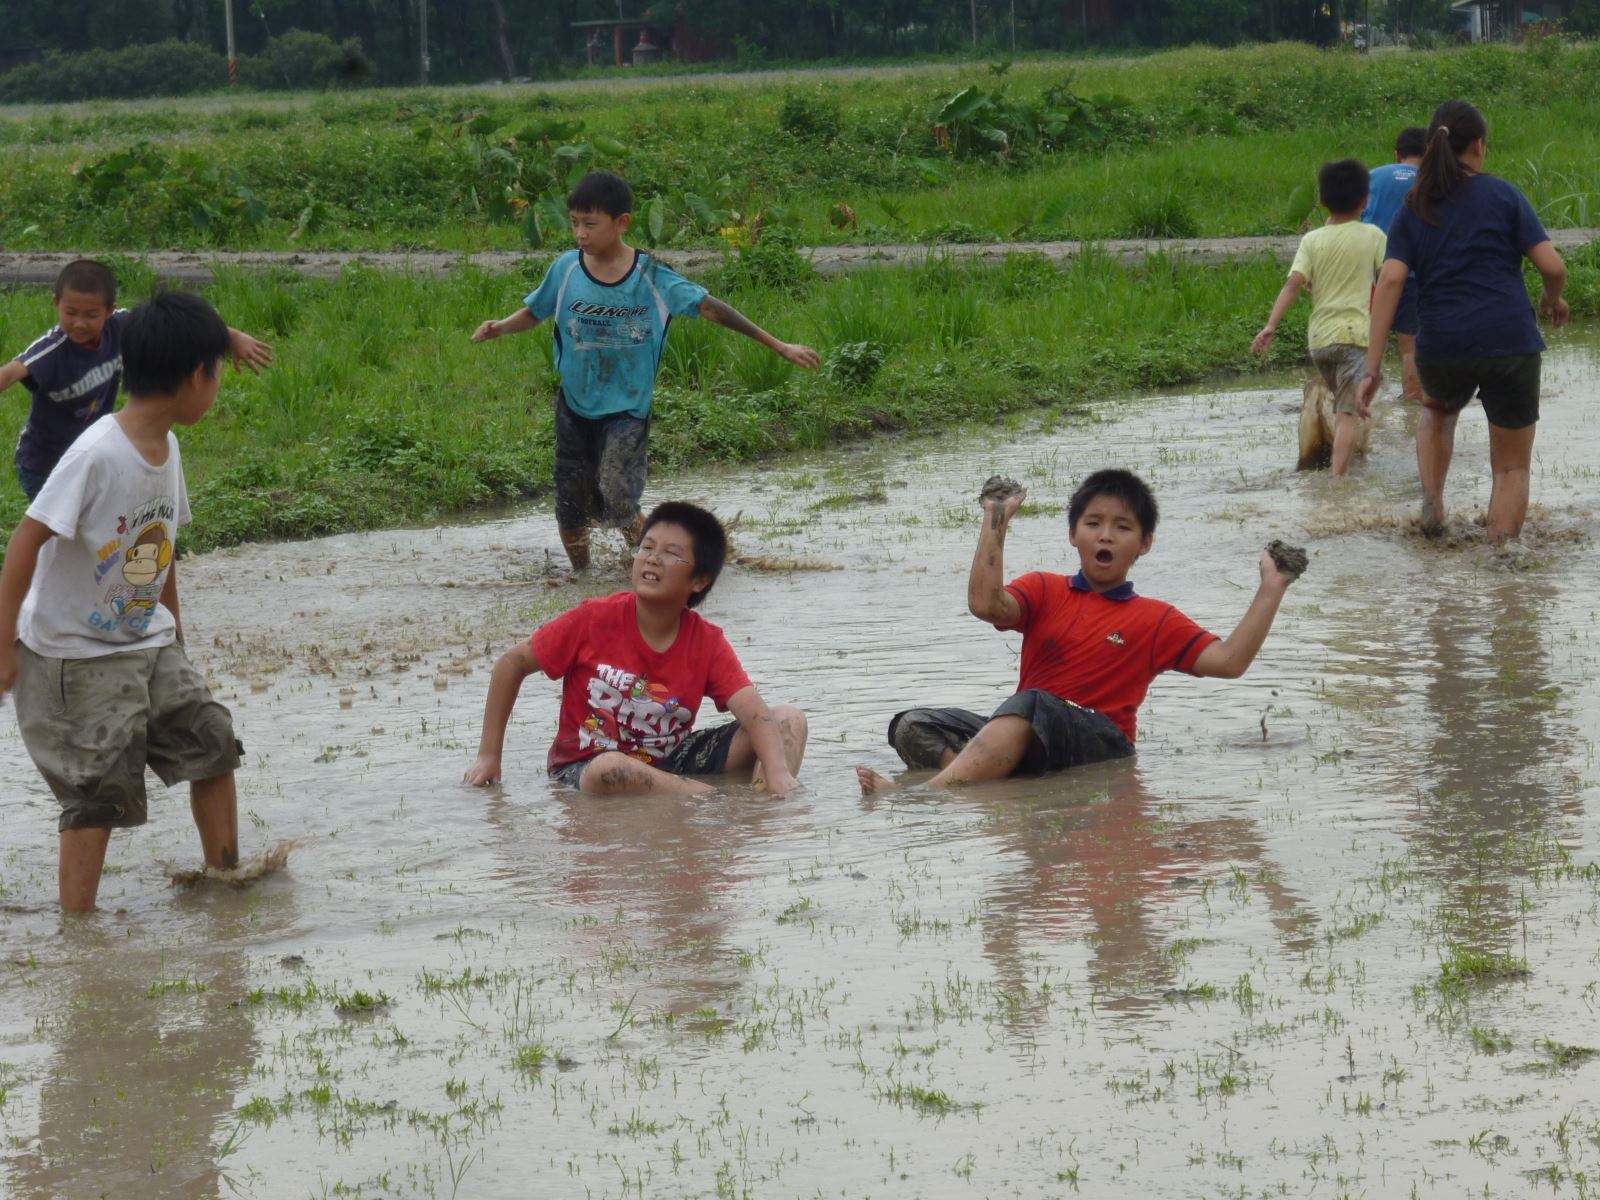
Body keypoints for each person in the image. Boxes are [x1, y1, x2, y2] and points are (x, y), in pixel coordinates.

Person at [0, 291, 246, 913]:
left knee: (211, 740)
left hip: (145, 638)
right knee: (97, 789)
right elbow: (24, 543)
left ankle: (228, 883)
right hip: (74, 654)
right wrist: (4, 648)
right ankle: (78, 933)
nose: (217, 386)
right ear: (197, 376)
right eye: (217, 373)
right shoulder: (97, 453)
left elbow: (160, 545)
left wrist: (174, 629)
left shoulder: (167, 446)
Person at [855, 470, 1294, 793]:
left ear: (1144, 544)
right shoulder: (1044, 589)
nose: (1106, 536)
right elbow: (986, 605)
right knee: (912, 725)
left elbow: (1230, 661)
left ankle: (929, 795)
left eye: (1122, 527)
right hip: (1029, 729)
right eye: (1093, 524)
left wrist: (1271, 588)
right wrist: (995, 520)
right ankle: (983, 781)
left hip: (1100, 743)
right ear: (1073, 534)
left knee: (1032, 703)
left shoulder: (1156, 618)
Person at [472, 171, 820, 571]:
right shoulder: (566, 268)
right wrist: (500, 327)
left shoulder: (650, 275)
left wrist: (779, 345)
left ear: (621, 223)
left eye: (590, 224)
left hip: (627, 409)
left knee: (618, 497)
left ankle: (660, 566)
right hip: (575, 405)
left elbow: (711, 308)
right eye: (574, 223)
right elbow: (536, 311)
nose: (580, 233)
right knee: (569, 504)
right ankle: (581, 580)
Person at [464, 500, 808, 796]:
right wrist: (488, 756)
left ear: (699, 580)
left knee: (789, 721)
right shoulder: (593, 618)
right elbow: (511, 664)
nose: (652, 559)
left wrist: (777, 773)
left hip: (670, 760)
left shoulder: (706, 641)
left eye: (671, 553)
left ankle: (765, 801)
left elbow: (755, 713)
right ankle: (709, 798)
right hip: (585, 766)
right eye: (647, 547)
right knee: (611, 768)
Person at [1357, 100, 1569, 543]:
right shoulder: (1504, 195)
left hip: (1442, 343)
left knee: (1436, 410)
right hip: (1509, 341)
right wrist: (1552, 300)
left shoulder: (1415, 204)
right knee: (1511, 467)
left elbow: (1390, 279)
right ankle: (1501, 552)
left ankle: (1433, 508)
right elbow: (1553, 267)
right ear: (1478, 145)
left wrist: (1372, 368)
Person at [0, 259, 272, 500]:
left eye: (91, 315)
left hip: (91, 453)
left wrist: (231, 337)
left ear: (110, 310)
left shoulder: (119, 325)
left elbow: (177, 327)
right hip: (45, 463)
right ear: (56, 303)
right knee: (59, 532)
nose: (79, 323)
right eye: (70, 313)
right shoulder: (50, 351)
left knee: (96, 523)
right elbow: (10, 373)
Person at [1252, 159, 1387, 476]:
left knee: (1345, 400)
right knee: (1347, 414)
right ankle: (1337, 482)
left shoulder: (1312, 240)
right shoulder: (1373, 236)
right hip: (1354, 337)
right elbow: (1387, 281)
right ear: (1365, 200)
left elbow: (1294, 284)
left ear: (1323, 201)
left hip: (1320, 342)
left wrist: (1270, 325)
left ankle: (1344, 435)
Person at [1362, 126, 1428, 403]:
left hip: (1373, 277)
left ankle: (1362, 404)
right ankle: (1413, 402)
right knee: (1409, 348)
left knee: (1365, 346)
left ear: (1397, 154)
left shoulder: (1372, 177)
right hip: (1413, 276)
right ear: (1429, 153)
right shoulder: (1431, 181)